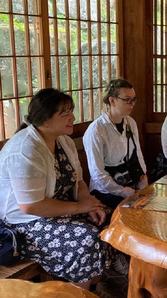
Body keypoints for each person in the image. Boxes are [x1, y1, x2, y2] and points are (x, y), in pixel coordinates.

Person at [0, 88, 111, 290]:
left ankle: (94, 285)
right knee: (85, 240)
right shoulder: (26, 149)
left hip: (59, 210)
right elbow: (31, 206)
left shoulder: (64, 140)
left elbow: (78, 182)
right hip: (25, 223)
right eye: (65, 114)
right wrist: (81, 208)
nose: (73, 117)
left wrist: (91, 204)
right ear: (45, 120)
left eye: (71, 111)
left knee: (109, 219)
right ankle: (77, 293)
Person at [83, 79, 148, 211]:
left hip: (129, 181)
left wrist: (143, 180)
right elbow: (97, 173)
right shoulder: (96, 130)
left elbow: (138, 155)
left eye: (134, 99)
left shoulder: (131, 123)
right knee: (134, 210)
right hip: (106, 190)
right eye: (127, 100)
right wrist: (123, 191)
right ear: (112, 101)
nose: (132, 104)